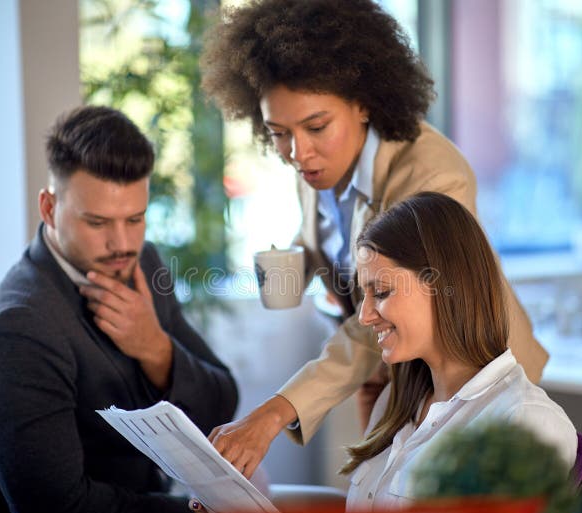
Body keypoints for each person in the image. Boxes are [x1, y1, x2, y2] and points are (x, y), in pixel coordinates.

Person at [200, 0, 548, 478]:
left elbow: (398, 298)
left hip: (470, 380)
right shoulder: (317, 165)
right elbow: (323, 235)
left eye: (316, 127)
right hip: (399, 372)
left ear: (362, 102)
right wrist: (291, 265)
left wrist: (275, 411)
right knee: (374, 500)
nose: (298, 153)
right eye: (279, 133)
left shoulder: (431, 174)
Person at [0, 106, 239, 513]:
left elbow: (222, 403)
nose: (122, 244)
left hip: (169, 505)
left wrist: (155, 349)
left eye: (135, 219)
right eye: (97, 222)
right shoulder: (14, 333)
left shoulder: (142, 263)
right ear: (50, 208)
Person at [342, 192, 576, 511]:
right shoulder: (394, 403)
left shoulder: (524, 421)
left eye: (381, 292)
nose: (365, 315)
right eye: (363, 294)